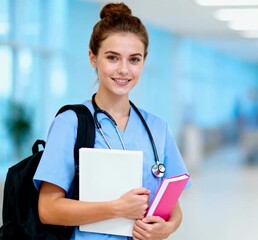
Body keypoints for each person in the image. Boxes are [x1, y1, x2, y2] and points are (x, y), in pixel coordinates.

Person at [33, 3, 191, 240]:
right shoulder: (70, 123)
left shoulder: (158, 129)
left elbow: (172, 207)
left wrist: (167, 228)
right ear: (93, 58)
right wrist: (116, 208)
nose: (124, 70)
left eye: (134, 59)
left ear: (144, 62)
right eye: (112, 58)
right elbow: (48, 209)